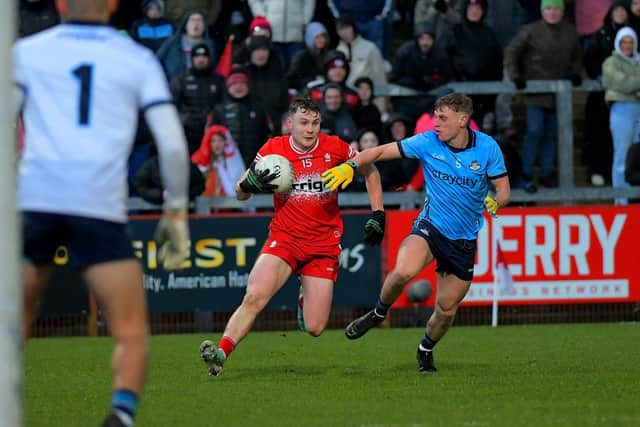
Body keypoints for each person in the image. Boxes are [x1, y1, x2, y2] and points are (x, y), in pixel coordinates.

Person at [13, 1, 191, 426]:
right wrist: (177, 212)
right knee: (130, 331)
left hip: (34, 202)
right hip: (98, 208)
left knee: (11, 324)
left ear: (59, 4)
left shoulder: (27, 51)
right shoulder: (136, 58)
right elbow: (171, 144)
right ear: (113, 5)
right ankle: (122, 413)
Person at [321, 93, 510, 372]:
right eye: (435, 116)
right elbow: (380, 151)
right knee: (403, 271)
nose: (435, 123)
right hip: (430, 227)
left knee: (445, 312)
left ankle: (425, 348)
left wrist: (497, 201)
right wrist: (350, 165)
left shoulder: (487, 147)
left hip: (463, 241)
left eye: (442, 118)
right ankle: (378, 312)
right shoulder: (427, 141)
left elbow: (504, 190)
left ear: (463, 120)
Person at [199, 97, 385, 376]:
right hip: (285, 237)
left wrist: (378, 212)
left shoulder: (335, 147)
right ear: (290, 123)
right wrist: (247, 185)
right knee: (255, 295)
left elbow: (369, 168)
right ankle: (222, 353)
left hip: (323, 243)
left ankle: (303, 299)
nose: (310, 129)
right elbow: (241, 191)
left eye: (315, 123)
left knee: (315, 327)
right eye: (304, 122)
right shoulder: (274, 149)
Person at [602, 26, 640, 205]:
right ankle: (621, 199)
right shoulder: (610, 63)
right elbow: (621, 83)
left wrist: (631, 85)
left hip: (638, 108)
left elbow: (627, 83)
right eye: (624, 42)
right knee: (622, 155)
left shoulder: (638, 61)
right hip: (622, 110)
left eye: (630, 42)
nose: (627, 45)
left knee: (636, 154)